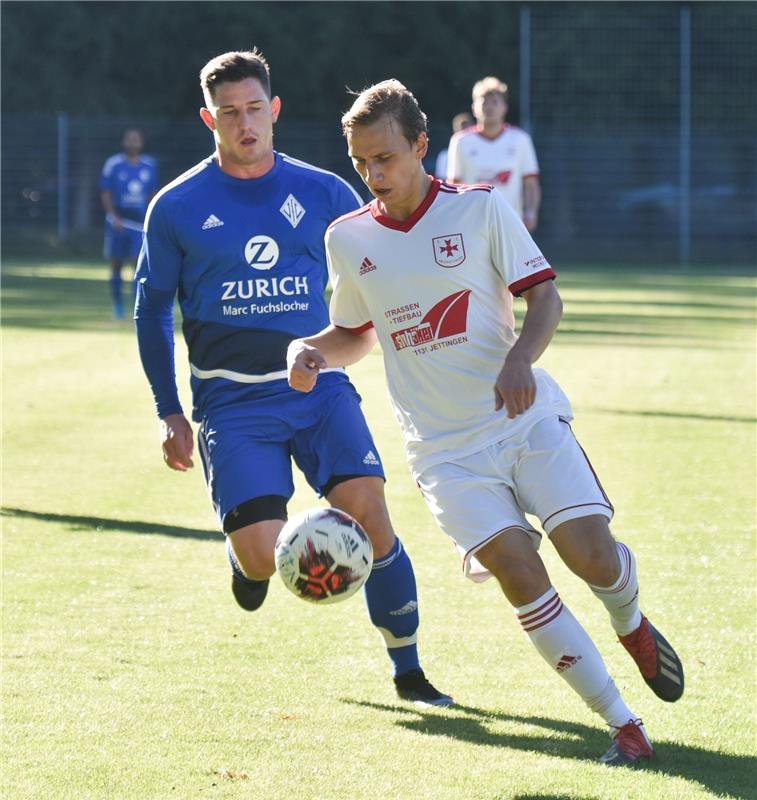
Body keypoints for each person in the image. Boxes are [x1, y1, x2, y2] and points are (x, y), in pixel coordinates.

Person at [287, 79, 684, 765]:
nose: (372, 176)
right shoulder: (347, 239)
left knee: (589, 555)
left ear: (420, 145)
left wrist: (521, 360)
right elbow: (356, 333)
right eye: (359, 163)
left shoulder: (479, 210)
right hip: (443, 452)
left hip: (521, 419)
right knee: (518, 570)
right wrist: (309, 353)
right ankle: (621, 724)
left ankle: (631, 623)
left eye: (384, 158)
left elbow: (546, 299)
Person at [133, 51, 451, 707]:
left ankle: (410, 674)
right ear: (208, 118)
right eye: (229, 113)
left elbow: (388, 257)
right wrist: (169, 410)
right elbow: (150, 309)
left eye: (254, 109)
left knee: (368, 511)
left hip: (319, 387)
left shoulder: (327, 193)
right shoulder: (176, 206)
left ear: (273, 110)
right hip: (230, 404)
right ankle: (242, 561)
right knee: (259, 557)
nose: (244, 122)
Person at [446, 76, 540, 231]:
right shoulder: (460, 141)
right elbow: (454, 185)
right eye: (484, 102)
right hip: (472, 225)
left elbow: (530, 183)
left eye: (495, 102)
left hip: (511, 224)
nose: (489, 107)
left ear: (504, 107)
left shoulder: (520, 139)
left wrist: (531, 212)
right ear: (473, 107)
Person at [99, 128, 158, 319]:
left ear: (141, 143)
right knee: (116, 264)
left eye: (136, 140)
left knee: (137, 263)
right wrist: (113, 216)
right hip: (118, 223)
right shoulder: (113, 164)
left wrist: (152, 219)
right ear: (124, 142)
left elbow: (152, 195)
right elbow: (105, 192)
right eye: (129, 139)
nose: (133, 143)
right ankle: (117, 305)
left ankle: (136, 307)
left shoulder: (149, 166)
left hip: (139, 226)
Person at [433, 111, 474, 179]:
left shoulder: (484, 150)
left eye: (466, 128)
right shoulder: (444, 155)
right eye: (461, 128)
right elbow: (441, 178)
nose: (463, 132)